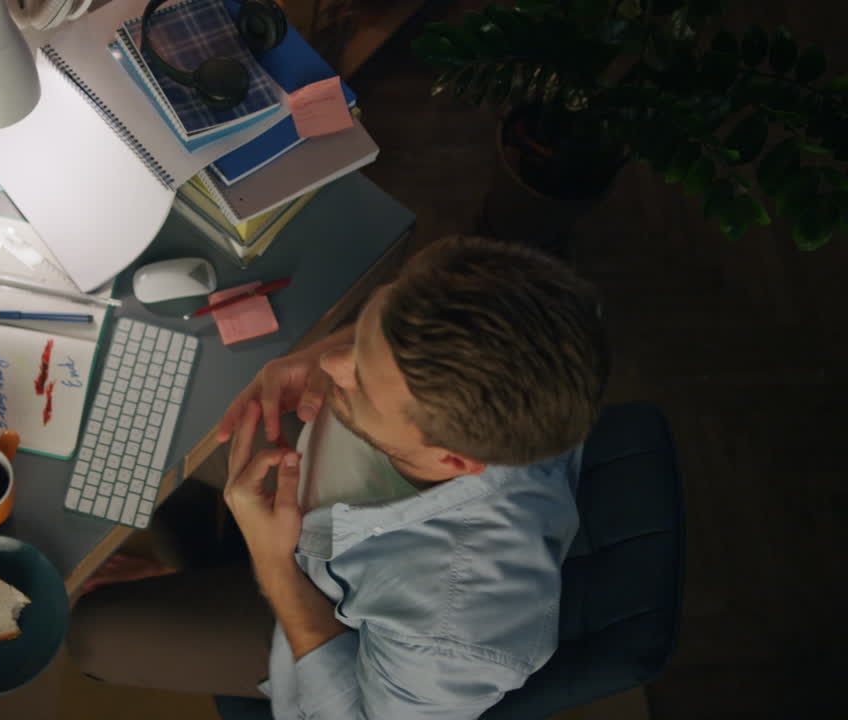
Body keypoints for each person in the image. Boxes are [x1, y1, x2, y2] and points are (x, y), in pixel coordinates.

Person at [68, 235, 609, 719]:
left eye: (362, 382)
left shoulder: (458, 630)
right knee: (128, 401)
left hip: (307, 606)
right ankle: (192, 564)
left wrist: (274, 565)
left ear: (454, 462)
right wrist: (326, 348)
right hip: (302, 493)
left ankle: (185, 578)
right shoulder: (532, 324)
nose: (333, 369)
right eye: (362, 338)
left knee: (91, 631)